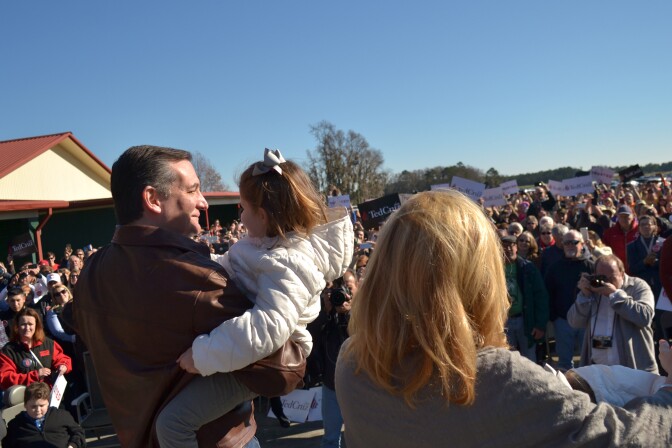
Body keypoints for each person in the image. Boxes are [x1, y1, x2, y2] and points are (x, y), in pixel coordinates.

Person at [335, 190, 672, 448]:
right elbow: (624, 436)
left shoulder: (351, 362)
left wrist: (556, 387)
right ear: (478, 278)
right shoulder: (492, 377)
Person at [71, 145, 306, 448]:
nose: (203, 202)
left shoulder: (90, 273)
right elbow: (285, 370)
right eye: (193, 190)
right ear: (153, 199)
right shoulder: (197, 278)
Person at [159, 148, 353, 448]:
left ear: (261, 215)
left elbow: (267, 328)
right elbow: (227, 270)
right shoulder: (261, 246)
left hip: (268, 360)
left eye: (243, 208)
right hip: (245, 350)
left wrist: (203, 355)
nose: (240, 215)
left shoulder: (289, 263)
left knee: (173, 424)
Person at [567, 254, 658, 373]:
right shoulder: (593, 289)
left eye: (611, 278)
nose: (606, 282)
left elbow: (644, 317)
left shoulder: (637, 286)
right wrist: (584, 296)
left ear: (622, 273)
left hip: (633, 369)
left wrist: (615, 295)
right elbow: (574, 322)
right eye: (602, 278)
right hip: (598, 369)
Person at [544, 230, 594, 370]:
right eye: (567, 243)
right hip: (563, 321)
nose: (570, 245)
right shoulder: (555, 268)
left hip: (587, 321)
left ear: (582, 244)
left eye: (574, 242)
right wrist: (554, 316)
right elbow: (548, 292)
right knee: (565, 363)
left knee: (588, 362)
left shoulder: (591, 266)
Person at [501, 235, 549, 362]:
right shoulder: (494, 268)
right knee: (507, 360)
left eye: (512, 246)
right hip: (503, 321)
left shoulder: (528, 268)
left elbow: (541, 297)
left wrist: (540, 325)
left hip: (525, 320)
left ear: (516, 247)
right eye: (505, 246)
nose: (509, 249)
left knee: (529, 359)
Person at [0, 308, 71, 390]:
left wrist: (63, 365)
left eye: (30, 324)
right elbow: (4, 378)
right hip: (25, 399)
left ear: (37, 325)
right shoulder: (8, 351)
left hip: (49, 395)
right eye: (23, 324)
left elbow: (62, 358)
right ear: (17, 326)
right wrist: (35, 375)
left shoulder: (48, 343)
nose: (27, 328)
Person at [3, 381, 85, 448]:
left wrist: (72, 445)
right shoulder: (16, 425)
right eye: (33, 406)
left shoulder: (61, 415)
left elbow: (78, 432)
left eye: (42, 406)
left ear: (48, 403)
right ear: (25, 405)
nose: (38, 410)